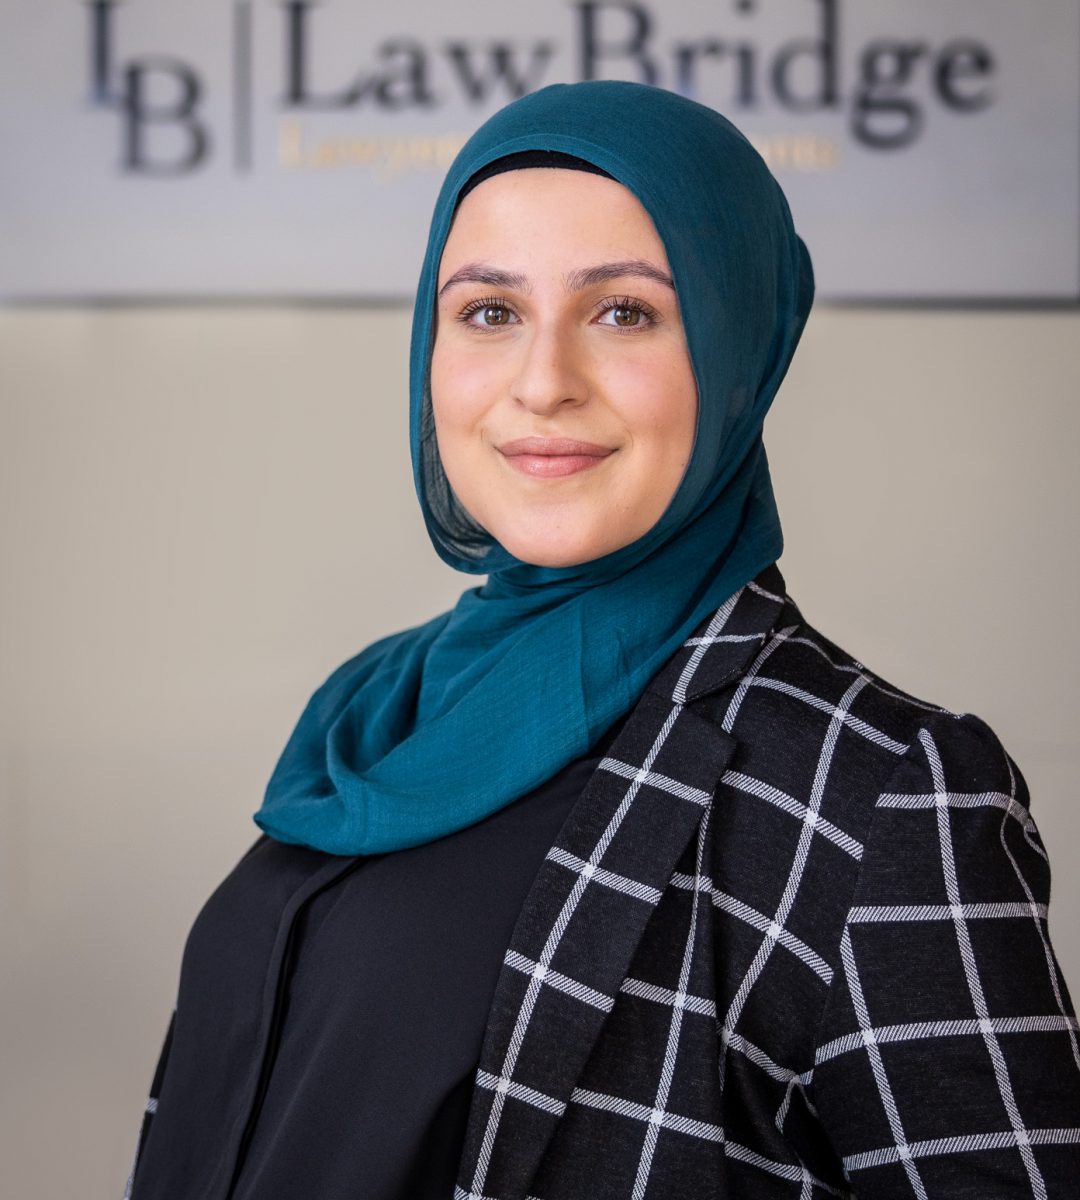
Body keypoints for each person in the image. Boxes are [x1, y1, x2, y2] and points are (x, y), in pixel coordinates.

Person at [124, 81, 1080, 1199]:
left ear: (739, 347)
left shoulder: (882, 792)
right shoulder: (375, 708)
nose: (543, 384)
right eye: (490, 312)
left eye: (623, 312)